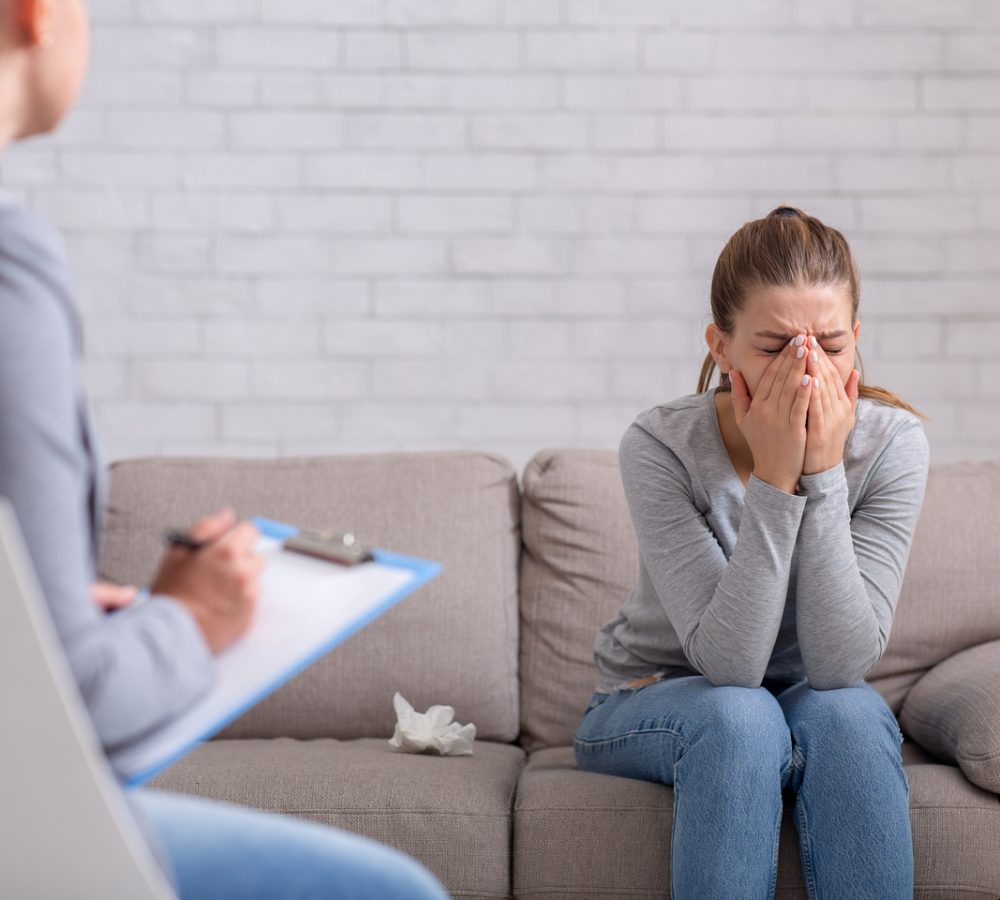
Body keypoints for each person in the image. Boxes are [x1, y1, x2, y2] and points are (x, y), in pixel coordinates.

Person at [0, 1, 449, 898]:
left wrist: (38, 628)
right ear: (35, 14)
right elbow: (76, 717)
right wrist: (194, 620)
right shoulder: (12, 273)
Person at [574, 206, 929, 899]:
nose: (805, 372)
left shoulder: (893, 445)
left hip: (807, 695)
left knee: (854, 715)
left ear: (857, 340)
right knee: (740, 716)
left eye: (829, 344)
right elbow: (729, 666)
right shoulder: (659, 445)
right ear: (721, 344)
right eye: (774, 347)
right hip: (657, 695)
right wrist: (775, 477)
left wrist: (822, 475)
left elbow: (839, 666)